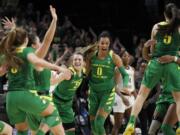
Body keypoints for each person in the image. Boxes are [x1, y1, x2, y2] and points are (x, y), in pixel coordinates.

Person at [123, 3, 180, 135]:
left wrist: (148, 49)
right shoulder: (178, 29)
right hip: (171, 67)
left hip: (156, 63)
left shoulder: (156, 27)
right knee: (179, 99)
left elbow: (153, 53)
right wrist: (173, 57)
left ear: (164, 15)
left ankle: (131, 123)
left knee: (142, 95)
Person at [0, 26, 68, 135]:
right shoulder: (28, 52)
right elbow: (45, 45)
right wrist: (58, 68)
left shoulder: (10, 55)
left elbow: (2, 70)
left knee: (22, 131)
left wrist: (13, 31)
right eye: (38, 41)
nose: (41, 43)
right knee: (54, 115)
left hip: (11, 98)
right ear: (27, 41)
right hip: (31, 97)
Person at [85, 31, 129, 135]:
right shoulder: (91, 56)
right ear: (98, 43)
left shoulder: (114, 57)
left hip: (107, 93)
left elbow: (125, 75)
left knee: (99, 123)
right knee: (93, 126)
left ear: (109, 44)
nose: (104, 45)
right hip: (93, 93)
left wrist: (125, 86)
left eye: (107, 43)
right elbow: (86, 74)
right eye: (102, 43)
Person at [53, 52, 84, 135]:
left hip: (67, 104)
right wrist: (55, 74)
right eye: (75, 60)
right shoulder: (69, 73)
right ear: (72, 62)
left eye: (79, 59)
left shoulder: (82, 72)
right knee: (55, 128)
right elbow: (53, 82)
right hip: (56, 102)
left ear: (83, 63)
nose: (77, 61)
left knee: (71, 129)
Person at [112, 51, 136, 135]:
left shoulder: (132, 69)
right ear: (121, 58)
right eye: (125, 56)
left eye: (128, 56)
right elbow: (114, 86)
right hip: (119, 97)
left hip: (131, 97)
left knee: (131, 124)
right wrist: (122, 97)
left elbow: (133, 86)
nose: (127, 57)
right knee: (117, 124)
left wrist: (136, 99)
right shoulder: (117, 69)